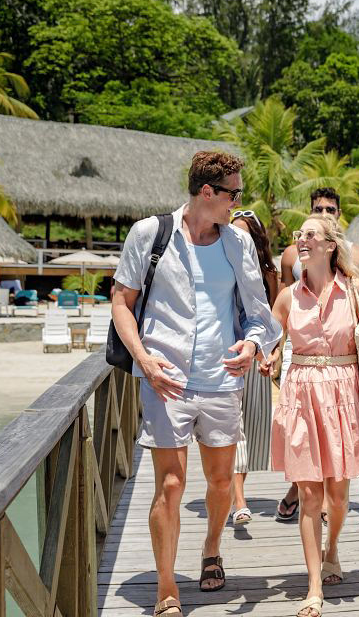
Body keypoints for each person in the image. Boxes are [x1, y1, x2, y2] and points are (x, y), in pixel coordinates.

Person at [110, 151, 281, 617]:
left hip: (224, 381)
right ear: (208, 192)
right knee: (170, 484)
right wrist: (143, 360)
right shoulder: (151, 233)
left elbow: (258, 313)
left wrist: (252, 344)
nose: (238, 203)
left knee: (222, 481)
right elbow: (121, 302)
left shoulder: (239, 244)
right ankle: (167, 585)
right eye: (234, 193)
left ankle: (211, 548)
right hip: (167, 380)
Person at [263, 214, 359, 617]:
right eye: (299, 235)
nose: (301, 240)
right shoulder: (287, 297)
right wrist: (266, 355)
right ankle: (314, 586)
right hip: (300, 397)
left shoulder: (354, 290)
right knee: (309, 496)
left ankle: (332, 547)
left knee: (337, 496)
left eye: (309, 235)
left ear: (330, 245)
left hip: (344, 396)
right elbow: (266, 337)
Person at [274, 187, 359, 523]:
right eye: (319, 207)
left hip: (341, 365)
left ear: (339, 213)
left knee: (334, 462)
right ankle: (304, 493)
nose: (325, 212)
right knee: (307, 452)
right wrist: (274, 351)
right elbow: (286, 300)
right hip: (300, 357)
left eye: (331, 208)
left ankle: (323, 509)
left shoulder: (356, 256)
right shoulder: (291, 254)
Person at [228, 210, 280, 526]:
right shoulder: (221, 268)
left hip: (258, 356)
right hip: (226, 357)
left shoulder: (267, 273)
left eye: (243, 234)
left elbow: (272, 321)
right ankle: (238, 500)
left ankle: (237, 493)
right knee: (233, 429)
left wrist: (267, 356)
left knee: (253, 426)